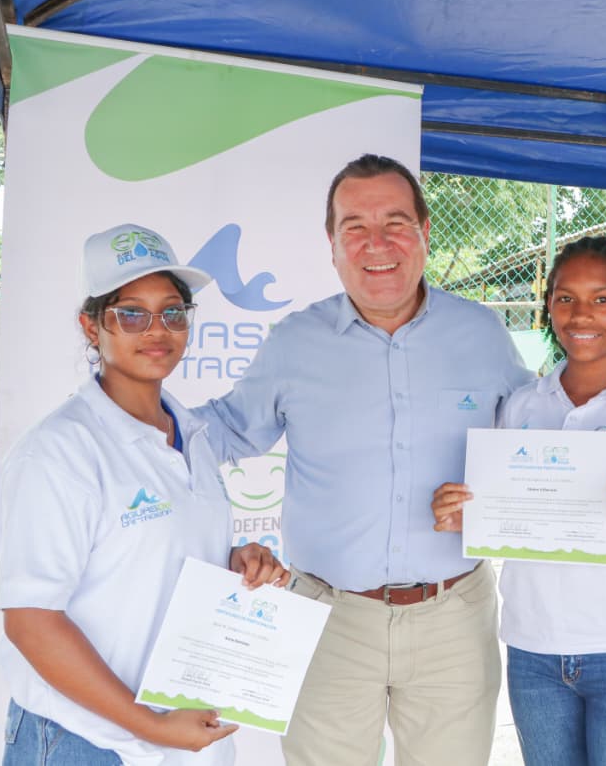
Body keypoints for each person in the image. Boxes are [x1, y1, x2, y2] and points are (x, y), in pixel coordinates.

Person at [195, 155, 532, 766]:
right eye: (355, 226)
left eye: (396, 223)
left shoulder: (481, 334)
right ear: (332, 244)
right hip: (328, 616)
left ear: (426, 232)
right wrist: (131, 428)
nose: (377, 243)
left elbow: (533, 444)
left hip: (455, 615)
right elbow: (222, 433)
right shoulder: (294, 342)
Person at [0, 223, 288, 766]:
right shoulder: (60, 452)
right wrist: (150, 725)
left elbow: (153, 558)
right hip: (86, 743)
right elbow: (31, 621)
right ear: (91, 327)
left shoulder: (191, 437)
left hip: (180, 743)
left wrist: (234, 564)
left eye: (173, 312)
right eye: (131, 312)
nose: (157, 329)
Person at [432, 236, 606, 764]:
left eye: (602, 299)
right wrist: (459, 514)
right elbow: (506, 522)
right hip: (533, 649)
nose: (583, 315)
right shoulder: (522, 405)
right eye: (565, 298)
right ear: (548, 304)